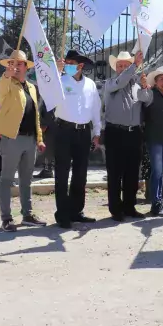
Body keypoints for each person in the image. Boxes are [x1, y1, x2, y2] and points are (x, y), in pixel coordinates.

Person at [0, 50, 47, 231]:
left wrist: (39, 138)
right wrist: (6, 75)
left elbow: (36, 116)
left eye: (20, 63)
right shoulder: (6, 84)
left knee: (26, 180)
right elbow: (1, 89)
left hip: (30, 139)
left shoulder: (31, 87)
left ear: (26, 67)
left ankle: (27, 215)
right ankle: (6, 218)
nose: (16, 67)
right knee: (6, 180)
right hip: (12, 138)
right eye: (12, 63)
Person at [53, 50, 102, 228]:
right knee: (62, 174)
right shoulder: (59, 80)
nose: (68, 65)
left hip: (83, 132)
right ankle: (62, 214)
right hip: (64, 130)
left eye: (71, 63)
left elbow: (96, 109)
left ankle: (76, 211)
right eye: (66, 62)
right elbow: (47, 93)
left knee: (80, 174)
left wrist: (97, 132)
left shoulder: (90, 85)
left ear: (80, 66)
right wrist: (56, 73)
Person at [103, 50, 146, 220]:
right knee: (115, 173)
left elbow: (147, 99)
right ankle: (116, 209)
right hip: (115, 132)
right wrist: (135, 65)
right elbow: (121, 82)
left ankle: (129, 206)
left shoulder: (136, 86)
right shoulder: (111, 83)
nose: (122, 68)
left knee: (132, 173)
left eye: (125, 65)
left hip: (134, 133)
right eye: (120, 66)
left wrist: (144, 87)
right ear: (116, 68)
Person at [139, 64, 163, 217]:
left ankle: (159, 202)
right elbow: (142, 97)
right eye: (162, 79)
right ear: (155, 81)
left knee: (161, 173)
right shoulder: (150, 94)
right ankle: (155, 204)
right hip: (154, 139)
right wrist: (143, 86)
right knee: (156, 172)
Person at [34, 97, 56, 179]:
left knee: (48, 149)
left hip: (50, 128)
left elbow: (49, 114)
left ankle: (48, 171)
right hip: (51, 127)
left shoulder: (49, 98)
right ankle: (47, 170)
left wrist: (43, 127)